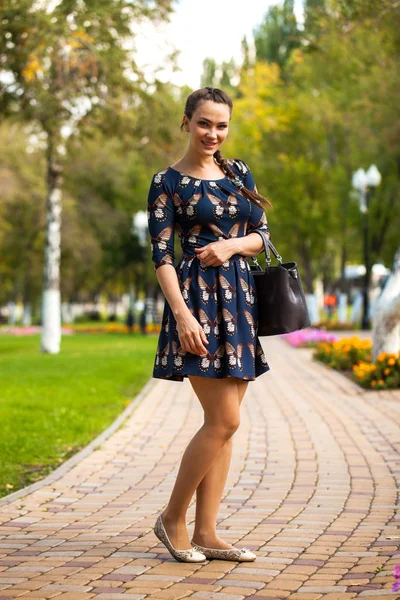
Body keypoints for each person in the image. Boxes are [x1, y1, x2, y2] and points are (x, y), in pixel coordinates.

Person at [147, 87, 272, 564]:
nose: (213, 134)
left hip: (239, 304)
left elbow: (262, 235)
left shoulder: (237, 172)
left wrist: (231, 247)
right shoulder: (168, 182)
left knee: (223, 427)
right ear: (187, 122)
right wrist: (181, 315)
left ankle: (206, 531)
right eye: (204, 124)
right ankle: (172, 519)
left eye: (221, 125)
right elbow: (161, 255)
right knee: (224, 420)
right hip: (196, 301)